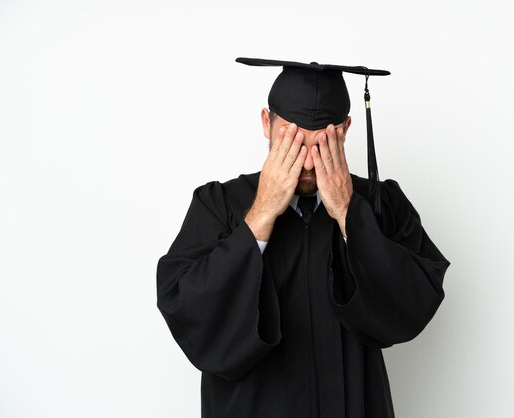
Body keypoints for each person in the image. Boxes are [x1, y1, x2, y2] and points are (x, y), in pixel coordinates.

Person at [156, 57, 451, 418]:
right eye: (293, 141)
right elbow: (187, 310)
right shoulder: (219, 204)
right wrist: (262, 214)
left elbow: (413, 303)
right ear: (267, 123)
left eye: (322, 143)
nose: (308, 163)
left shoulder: (380, 205)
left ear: (344, 129)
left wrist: (348, 214)